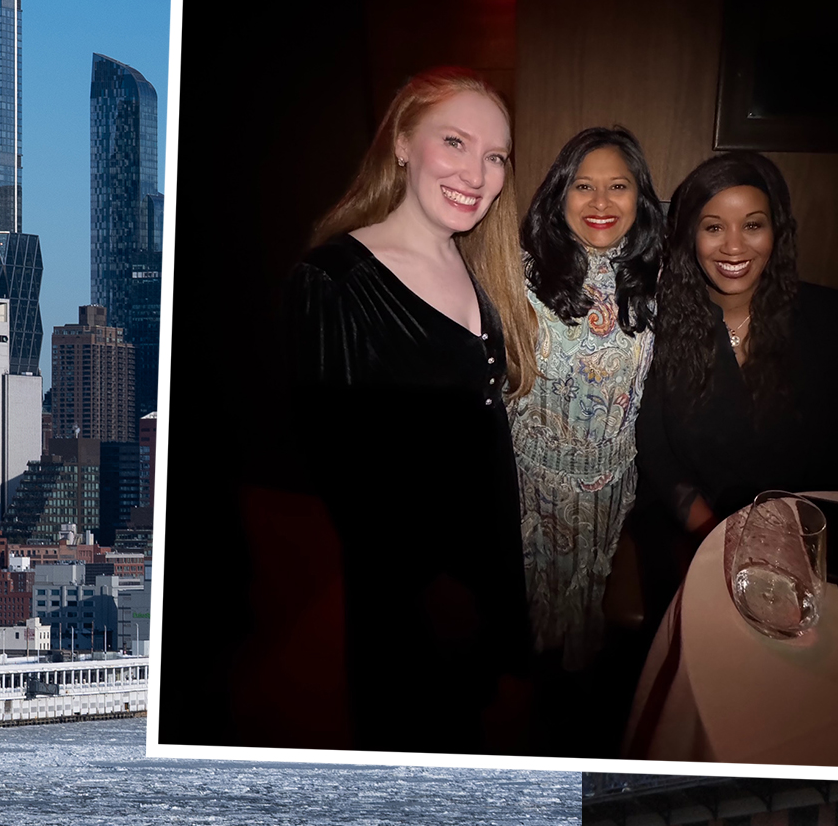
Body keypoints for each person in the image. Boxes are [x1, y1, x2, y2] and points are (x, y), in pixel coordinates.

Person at [284, 66, 537, 754]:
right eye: (454, 143)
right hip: (416, 595)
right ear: (401, 143)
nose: (477, 174)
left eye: (494, 156)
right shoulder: (334, 281)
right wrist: (438, 599)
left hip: (482, 559)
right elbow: (341, 479)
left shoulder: (476, 264)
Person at [634, 152, 838, 585]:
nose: (734, 246)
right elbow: (657, 455)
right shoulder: (658, 325)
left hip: (810, 541)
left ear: (776, 231)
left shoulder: (831, 319)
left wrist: (801, 542)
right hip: (696, 535)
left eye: (752, 225)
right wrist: (713, 535)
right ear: (690, 237)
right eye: (713, 227)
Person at [509, 127, 664, 675]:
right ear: (560, 195)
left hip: (613, 482)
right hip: (531, 482)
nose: (600, 203)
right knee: (529, 601)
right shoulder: (518, 274)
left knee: (591, 598)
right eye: (583, 187)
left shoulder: (656, 278)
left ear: (639, 198)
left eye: (618, 186)